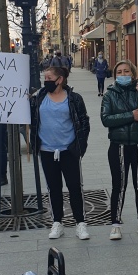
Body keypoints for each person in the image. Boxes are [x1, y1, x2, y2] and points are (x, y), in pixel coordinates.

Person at [32, 65, 91, 240]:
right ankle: (57, 222)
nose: (46, 81)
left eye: (49, 78)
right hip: (47, 150)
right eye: (45, 78)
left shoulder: (74, 98)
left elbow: (84, 122)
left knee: (75, 187)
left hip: (68, 150)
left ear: (60, 80)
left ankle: (80, 223)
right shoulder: (39, 97)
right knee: (54, 188)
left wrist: (79, 146)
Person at [101, 60, 138, 240]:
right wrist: (131, 116)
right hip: (118, 146)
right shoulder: (109, 94)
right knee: (119, 186)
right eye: (120, 72)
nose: (123, 74)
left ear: (133, 74)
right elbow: (106, 119)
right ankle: (115, 225)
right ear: (115, 75)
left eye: (127, 71)